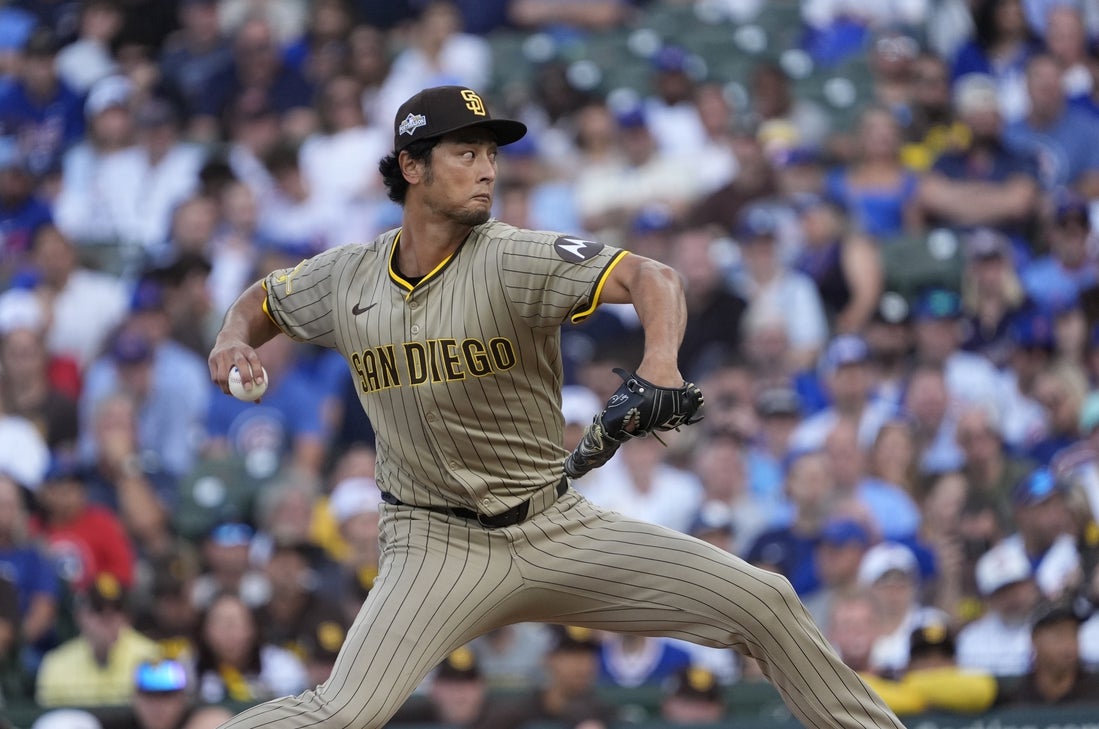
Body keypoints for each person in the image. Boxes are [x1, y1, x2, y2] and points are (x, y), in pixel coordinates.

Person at [207, 85, 906, 729]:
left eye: (491, 154)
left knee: (767, 601)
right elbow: (264, 300)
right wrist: (234, 336)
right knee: (341, 713)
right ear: (411, 167)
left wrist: (660, 361)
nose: (487, 169)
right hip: (432, 544)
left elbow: (653, 276)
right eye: (465, 153)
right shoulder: (348, 276)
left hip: (554, 525)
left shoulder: (514, 257)